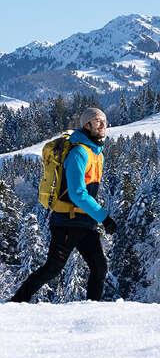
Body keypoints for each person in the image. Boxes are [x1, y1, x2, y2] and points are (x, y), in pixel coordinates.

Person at [11, 108, 119, 303]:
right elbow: (77, 193)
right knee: (53, 268)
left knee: (99, 268)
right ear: (87, 125)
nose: (103, 125)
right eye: (97, 121)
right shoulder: (79, 153)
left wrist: (96, 217)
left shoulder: (98, 154)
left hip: (84, 222)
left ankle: (92, 309)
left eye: (104, 120)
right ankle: (16, 301)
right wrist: (104, 217)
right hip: (67, 222)